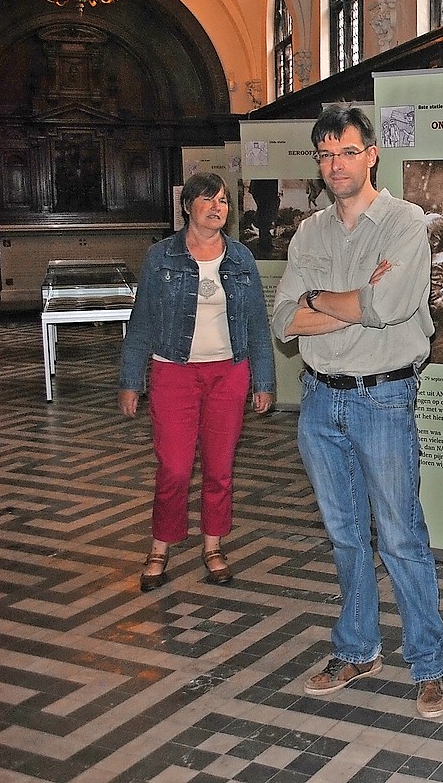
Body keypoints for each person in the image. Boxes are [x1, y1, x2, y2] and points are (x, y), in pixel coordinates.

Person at [271, 104, 443, 718]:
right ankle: (358, 649)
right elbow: (284, 320)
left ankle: (429, 665)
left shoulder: (404, 224)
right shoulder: (309, 232)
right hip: (320, 399)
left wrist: (320, 299)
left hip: (384, 397)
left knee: (401, 536)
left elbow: (392, 304)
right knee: (345, 535)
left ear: (372, 153)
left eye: (346, 151)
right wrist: (352, 299)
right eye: (325, 155)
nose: (335, 165)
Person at [118, 172, 276, 593]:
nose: (217, 207)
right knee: (173, 467)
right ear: (187, 206)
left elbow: (257, 324)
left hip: (229, 373)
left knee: (220, 467)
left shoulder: (241, 257)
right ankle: (160, 546)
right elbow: (143, 320)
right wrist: (131, 378)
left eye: (223, 200)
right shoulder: (161, 257)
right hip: (173, 372)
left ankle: (213, 545)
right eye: (207, 199)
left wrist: (264, 380)